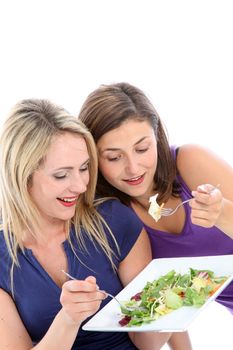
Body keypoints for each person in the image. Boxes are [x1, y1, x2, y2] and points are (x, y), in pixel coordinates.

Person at [0, 99, 186, 350]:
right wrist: (68, 320)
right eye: (61, 175)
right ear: (21, 176)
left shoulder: (115, 221)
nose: (80, 186)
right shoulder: (3, 258)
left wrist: (174, 303)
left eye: (84, 168)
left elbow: (146, 343)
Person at [78, 82, 233, 341]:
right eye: (114, 157)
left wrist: (222, 213)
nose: (133, 168)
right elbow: (169, 304)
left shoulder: (190, 161)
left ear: (157, 136)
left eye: (142, 148)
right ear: (92, 158)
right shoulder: (114, 217)